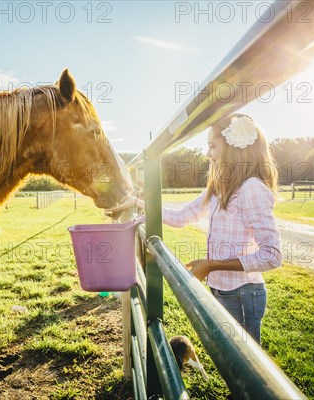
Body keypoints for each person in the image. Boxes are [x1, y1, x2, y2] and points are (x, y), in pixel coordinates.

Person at [116, 113, 282, 345]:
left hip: (243, 293)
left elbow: (272, 256)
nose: (207, 154)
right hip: (221, 289)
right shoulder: (219, 189)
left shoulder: (252, 188)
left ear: (234, 147)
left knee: (244, 366)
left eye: (212, 146)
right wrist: (136, 202)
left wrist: (212, 265)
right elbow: (181, 216)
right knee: (229, 359)